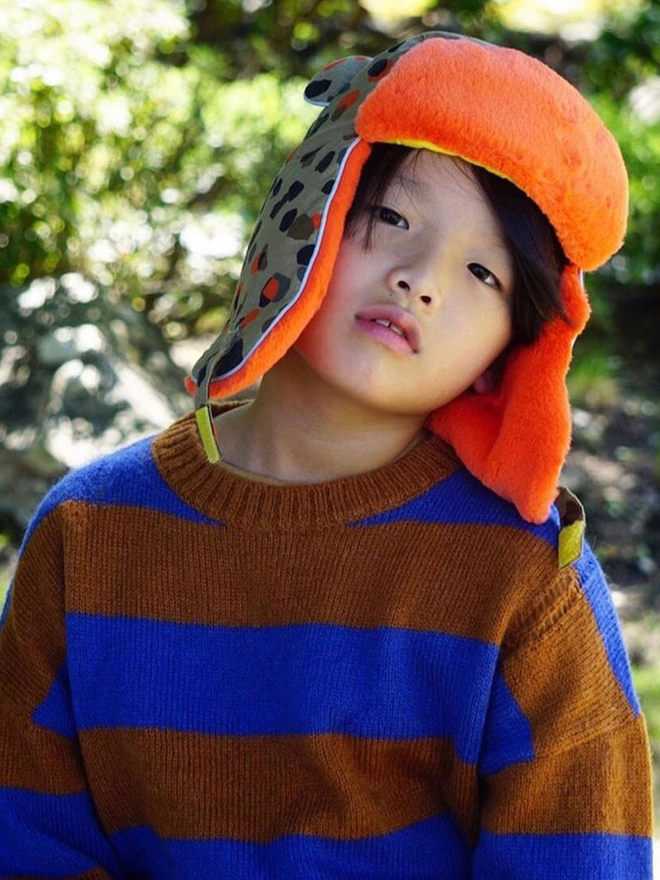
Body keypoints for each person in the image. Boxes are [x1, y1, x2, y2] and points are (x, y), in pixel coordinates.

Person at [0, 32, 653, 879]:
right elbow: (29, 837)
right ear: (307, 217)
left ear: (509, 352)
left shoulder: (525, 584)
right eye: (391, 218)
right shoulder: (88, 534)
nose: (422, 278)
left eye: (484, 274)